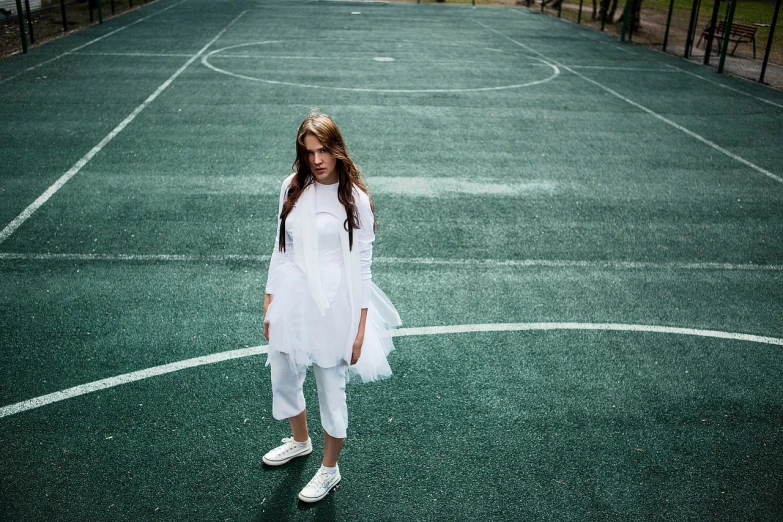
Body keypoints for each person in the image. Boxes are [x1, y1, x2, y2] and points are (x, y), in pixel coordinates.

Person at [262, 111, 401, 503]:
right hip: (292, 296)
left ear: (337, 149)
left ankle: (329, 468)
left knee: (330, 385)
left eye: (323, 150)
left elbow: (362, 269)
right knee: (284, 374)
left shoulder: (354, 199)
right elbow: (280, 246)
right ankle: (300, 440)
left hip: (335, 305)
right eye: (309, 152)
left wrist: (359, 329)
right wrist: (270, 295)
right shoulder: (291, 186)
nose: (317, 160)